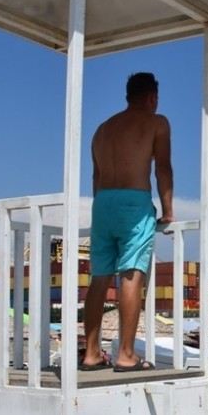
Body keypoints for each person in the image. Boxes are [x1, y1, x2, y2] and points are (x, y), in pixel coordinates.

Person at [82, 72, 173, 372]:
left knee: (100, 278)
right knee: (132, 274)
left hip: (102, 204)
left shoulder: (102, 130)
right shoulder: (157, 123)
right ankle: (125, 354)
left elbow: (96, 177)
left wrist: (104, 206)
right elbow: (163, 168)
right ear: (151, 97)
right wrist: (168, 211)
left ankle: (92, 353)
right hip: (134, 202)